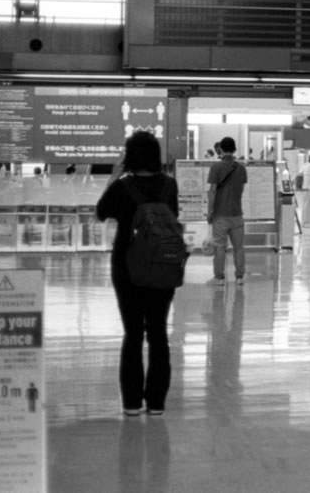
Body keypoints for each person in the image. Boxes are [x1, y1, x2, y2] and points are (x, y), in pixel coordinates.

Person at [95, 130, 179, 416]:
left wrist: (115, 175)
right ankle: (156, 403)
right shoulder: (170, 186)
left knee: (133, 333)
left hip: (126, 266)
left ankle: (132, 403)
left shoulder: (121, 187)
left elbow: (101, 212)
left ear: (129, 156)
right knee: (158, 332)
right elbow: (173, 217)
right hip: (163, 265)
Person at [207, 136, 247, 286]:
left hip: (220, 215)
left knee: (219, 247)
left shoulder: (215, 167)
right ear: (235, 149)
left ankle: (219, 278)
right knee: (238, 247)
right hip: (237, 214)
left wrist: (210, 211)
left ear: (220, 149)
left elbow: (212, 191)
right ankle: (239, 277)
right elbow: (241, 189)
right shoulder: (241, 167)